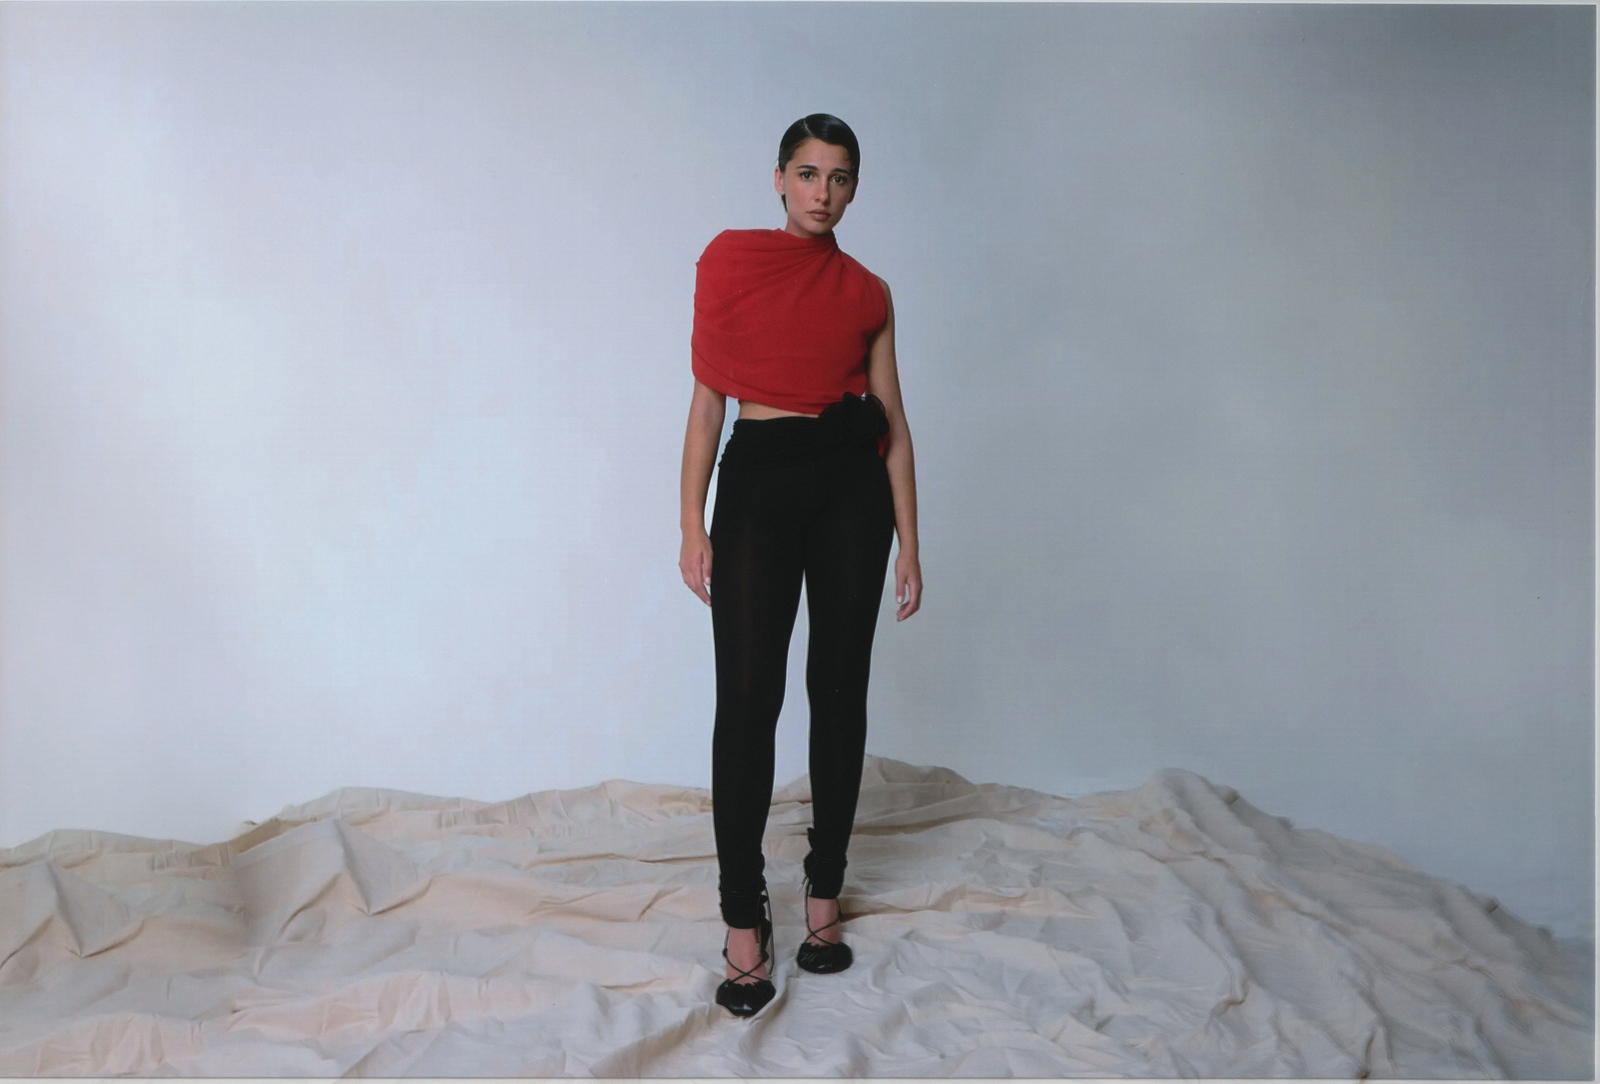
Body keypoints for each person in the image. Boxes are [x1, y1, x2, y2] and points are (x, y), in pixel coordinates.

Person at [677, 113, 923, 1019]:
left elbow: (894, 424)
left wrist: (910, 539)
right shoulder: (729, 263)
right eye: (809, 173)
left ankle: (824, 894)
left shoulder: (869, 292)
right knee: (747, 698)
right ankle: (743, 916)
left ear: (855, 189)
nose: (824, 192)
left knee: (839, 690)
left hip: (851, 488)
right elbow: (708, 406)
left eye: (841, 177)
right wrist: (690, 521)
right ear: (779, 178)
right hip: (758, 481)